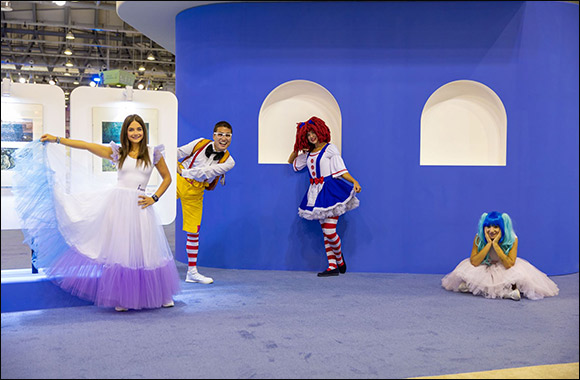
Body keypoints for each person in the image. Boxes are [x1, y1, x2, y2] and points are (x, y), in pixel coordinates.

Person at [13, 114, 180, 312]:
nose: (136, 133)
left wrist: (155, 197)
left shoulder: (153, 153)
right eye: (131, 129)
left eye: (139, 129)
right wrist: (58, 139)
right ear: (125, 132)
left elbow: (168, 178)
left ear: (144, 131)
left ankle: (161, 294)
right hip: (119, 207)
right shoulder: (118, 152)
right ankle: (124, 297)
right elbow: (85, 145)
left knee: (147, 250)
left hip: (141, 206)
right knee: (123, 251)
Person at [288, 116, 361, 277]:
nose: (311, 137)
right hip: (314, 193)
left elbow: (341, 171)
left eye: (313, 133)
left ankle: (339, 259)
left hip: (330, 190)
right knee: (325, 231)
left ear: (321, 131)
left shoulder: (330, 149)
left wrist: (354, 181)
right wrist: (297, 147)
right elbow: (291, 163)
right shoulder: (308, 154)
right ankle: (332, 266)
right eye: (308, 135)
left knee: (329, 231)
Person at [441, 211, 559, 300]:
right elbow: (474, 262)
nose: (491, 230)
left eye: (496, 227)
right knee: (468, 278)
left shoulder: (513, 239)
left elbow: (509, 264)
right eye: (488, 226)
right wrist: (488, 244)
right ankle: (502, 291)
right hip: (485, 266)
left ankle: (508, 291)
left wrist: (496, 245)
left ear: (502, 228)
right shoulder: (479, 237)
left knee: (517, 276)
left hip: (504, 267)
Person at [176, 121, 235, 284]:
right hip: (177, 180)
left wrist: (184, 171)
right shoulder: (200, 143)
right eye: (220, 134)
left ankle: (192, 272)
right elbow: (179, 152)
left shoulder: (229, 161)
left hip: (196, 190)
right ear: (214, 135)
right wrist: (172, 163)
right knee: (154, 208)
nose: (224, 138)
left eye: (228, 135)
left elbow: (207, 172)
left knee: (193, 231)